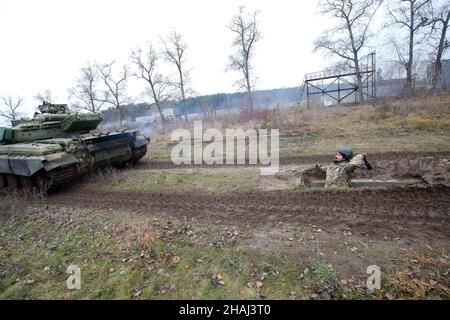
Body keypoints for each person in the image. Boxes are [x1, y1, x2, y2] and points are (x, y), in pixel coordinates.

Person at [303, 146, 373, 188]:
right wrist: (317, 167)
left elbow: (353, 163)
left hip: (341, 194)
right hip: (327, 193)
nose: (336, 156)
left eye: (339, 155)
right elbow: (324, 168)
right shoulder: (332, 166)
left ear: (345, 157)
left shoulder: (347, 167)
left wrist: (361, 155)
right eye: (336, 154)